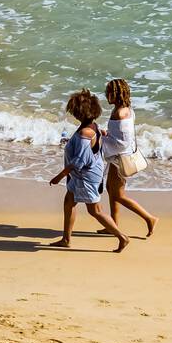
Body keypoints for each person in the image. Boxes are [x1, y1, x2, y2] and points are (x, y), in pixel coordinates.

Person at [49, 89, 130, 253]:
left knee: (95, 211)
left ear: (79, 113)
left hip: (85, 177)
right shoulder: (93, 126)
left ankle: (122, 237)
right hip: (83, 175)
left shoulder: (84, 133)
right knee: (68, 202)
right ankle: (66, 239)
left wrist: (59, 176)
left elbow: (78, 162)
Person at [100, 78, 158, 238]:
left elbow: (122, 143)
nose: (106, 95)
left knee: (118, 194)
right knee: (111, 190)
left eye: (108, 92)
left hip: (121, 159)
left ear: (115, 94)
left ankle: (149, 218)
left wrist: (102, 139)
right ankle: (113, 224)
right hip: (117, 158)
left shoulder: (120, 113)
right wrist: (107, 134)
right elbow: (122, 137)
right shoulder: (126, 109)